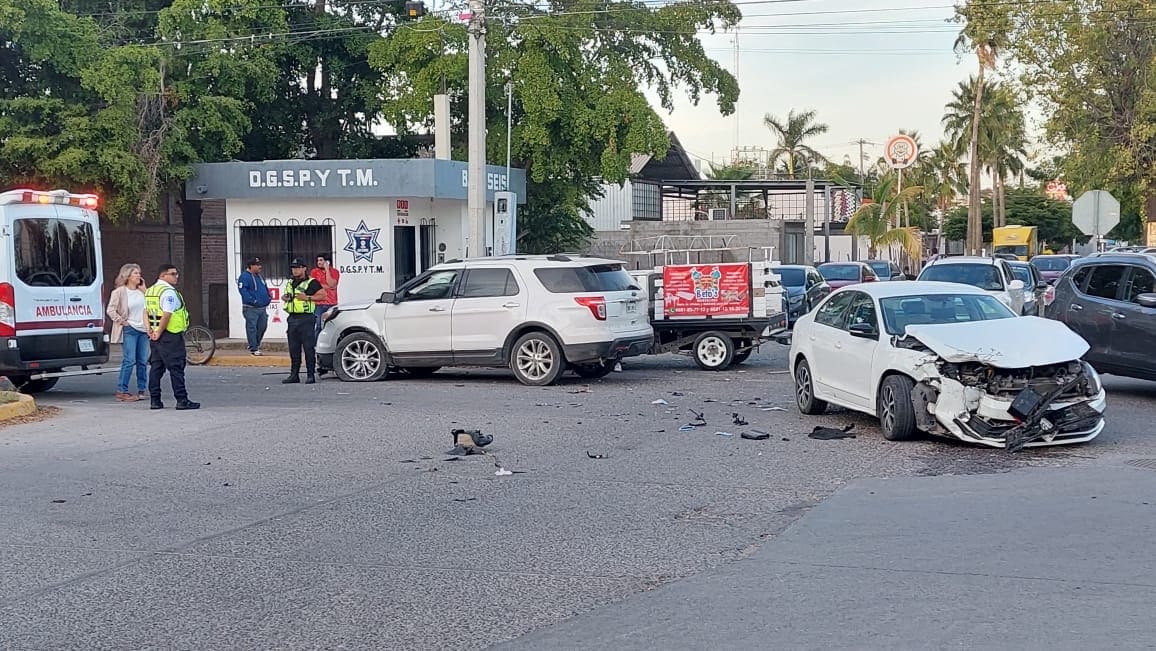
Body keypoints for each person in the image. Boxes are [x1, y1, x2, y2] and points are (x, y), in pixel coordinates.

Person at [145, 263, 200, 410]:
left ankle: (155, 400)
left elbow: (146, 312)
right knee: (176, 368)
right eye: (173, 274)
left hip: (156, 335)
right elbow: (166, 315)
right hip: (170, 335)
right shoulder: (168, 292)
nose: (177, 276)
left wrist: (150, 330)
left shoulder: (151, 290)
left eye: (176, 273)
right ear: (163, 276)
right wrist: (159, 331)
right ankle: (182, 400)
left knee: (156, 367)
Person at [107, 263, 149, 402]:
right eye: (135, 273)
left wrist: (145, 290)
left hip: (143, 329)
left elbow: (152, 306)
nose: (139, 275)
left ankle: (142, 389)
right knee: (129, 360)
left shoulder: (142, 291)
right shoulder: (119, 292)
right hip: (130, 328)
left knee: (142, 361)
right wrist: (121, 321)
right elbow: (111, 309)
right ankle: (122, 390)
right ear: (128, 276)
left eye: (139, 272)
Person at [283, 258, 325, 385]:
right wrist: (285, 298)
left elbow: (323, 295)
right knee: (293, 348)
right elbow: (286, 296)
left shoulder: (311, 282)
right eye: (293, 268)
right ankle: (294, 375)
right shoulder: (290, 282)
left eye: (297, 267)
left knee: (308, 348)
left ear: (304, 268)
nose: (295, 270)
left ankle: (310, 375)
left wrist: (307, 297)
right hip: (292, 318)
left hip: (306, 318)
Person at [238, 257, 271, 356]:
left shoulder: (259, 276)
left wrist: (268, 297)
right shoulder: (244, 277)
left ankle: (254, 344)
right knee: (252, 327)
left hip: (262, 308)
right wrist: (253, 300)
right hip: (250, 308)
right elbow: (243, 291)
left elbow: (264, 287)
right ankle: (253, 347)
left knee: (262, 326)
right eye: (257, 265)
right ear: (251, 266)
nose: (260, 267)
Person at [310, 253, 340, 338]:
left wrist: (327, 270)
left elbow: (332, 284)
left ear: (327, 262)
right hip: (319, 303)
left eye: (321, 260)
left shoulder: (334, 272)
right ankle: (316, 346)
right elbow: (314, 286)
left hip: (332, 303)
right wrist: (328, 286)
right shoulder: (314, 272)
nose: (318, 262)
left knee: (333, 326)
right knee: (319, 326)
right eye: (318, 260)